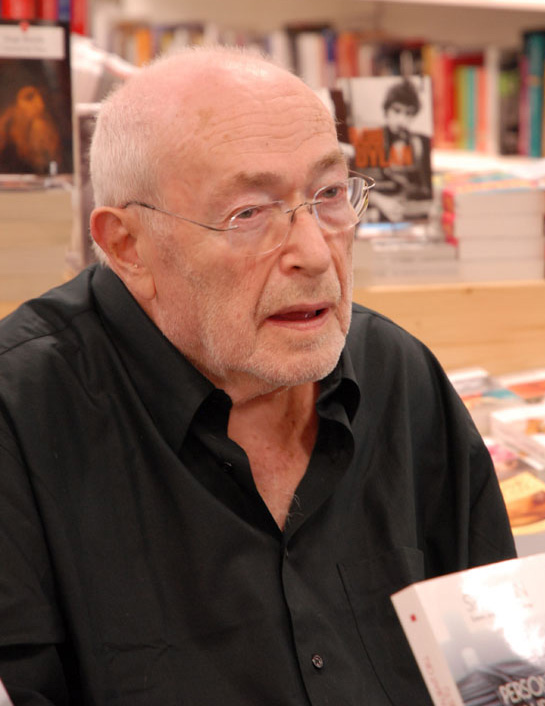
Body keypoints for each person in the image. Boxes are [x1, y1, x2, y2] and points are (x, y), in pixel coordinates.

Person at [0, 46, 515, 706]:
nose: (311, 253)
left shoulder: (398, 375)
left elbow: (502, 682)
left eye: (328, 195)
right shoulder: (23, 417)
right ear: (128, 246)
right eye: (249, 213)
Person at [365, 76, 433, 223]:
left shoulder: (421, 142)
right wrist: (379, 200)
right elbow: (356, 186)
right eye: (397, 111)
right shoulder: (370, 139)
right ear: (386, 110)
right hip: (378, 215)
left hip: (411, 213)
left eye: (408, 113)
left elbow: (425, 188)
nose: (402, 120)